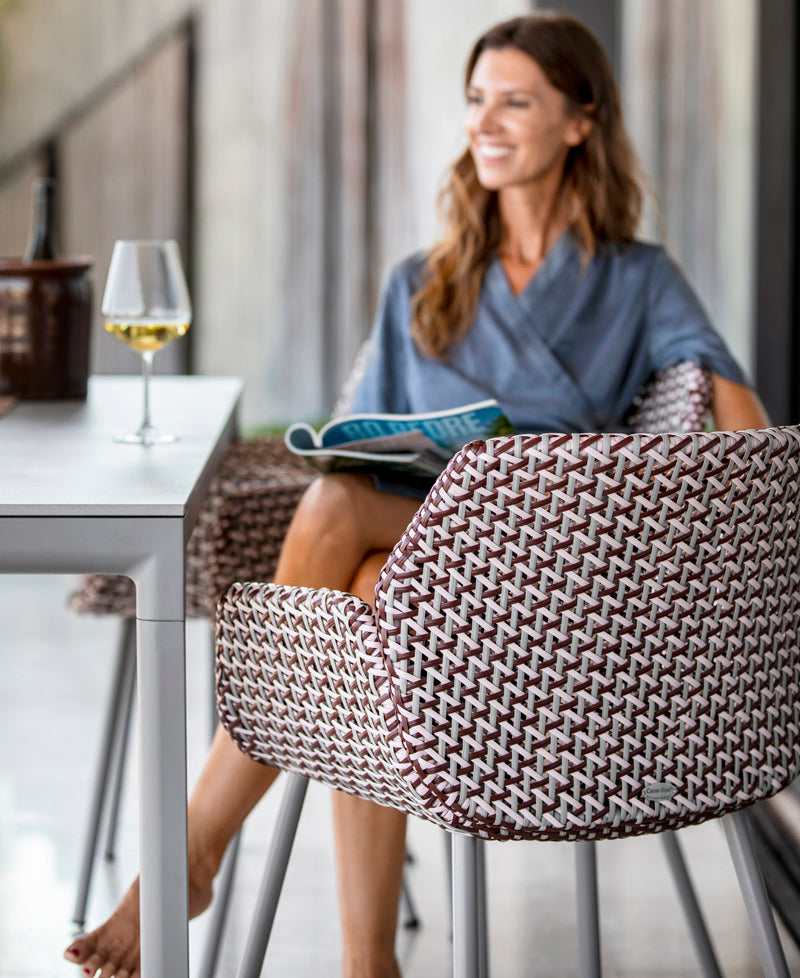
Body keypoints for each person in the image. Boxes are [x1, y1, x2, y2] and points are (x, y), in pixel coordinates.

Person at [64, 12, 767, 978]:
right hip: (425, 575)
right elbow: (365, 444)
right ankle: (367, 963)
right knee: (366, 585)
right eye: (477, 100)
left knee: (340, 521)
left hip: (545, 582)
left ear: (579, 121)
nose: (486, 121)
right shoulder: (422, 285)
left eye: (515, 101)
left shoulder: (639, 281)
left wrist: (709, 489)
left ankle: (192, 844)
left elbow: (743, 433)